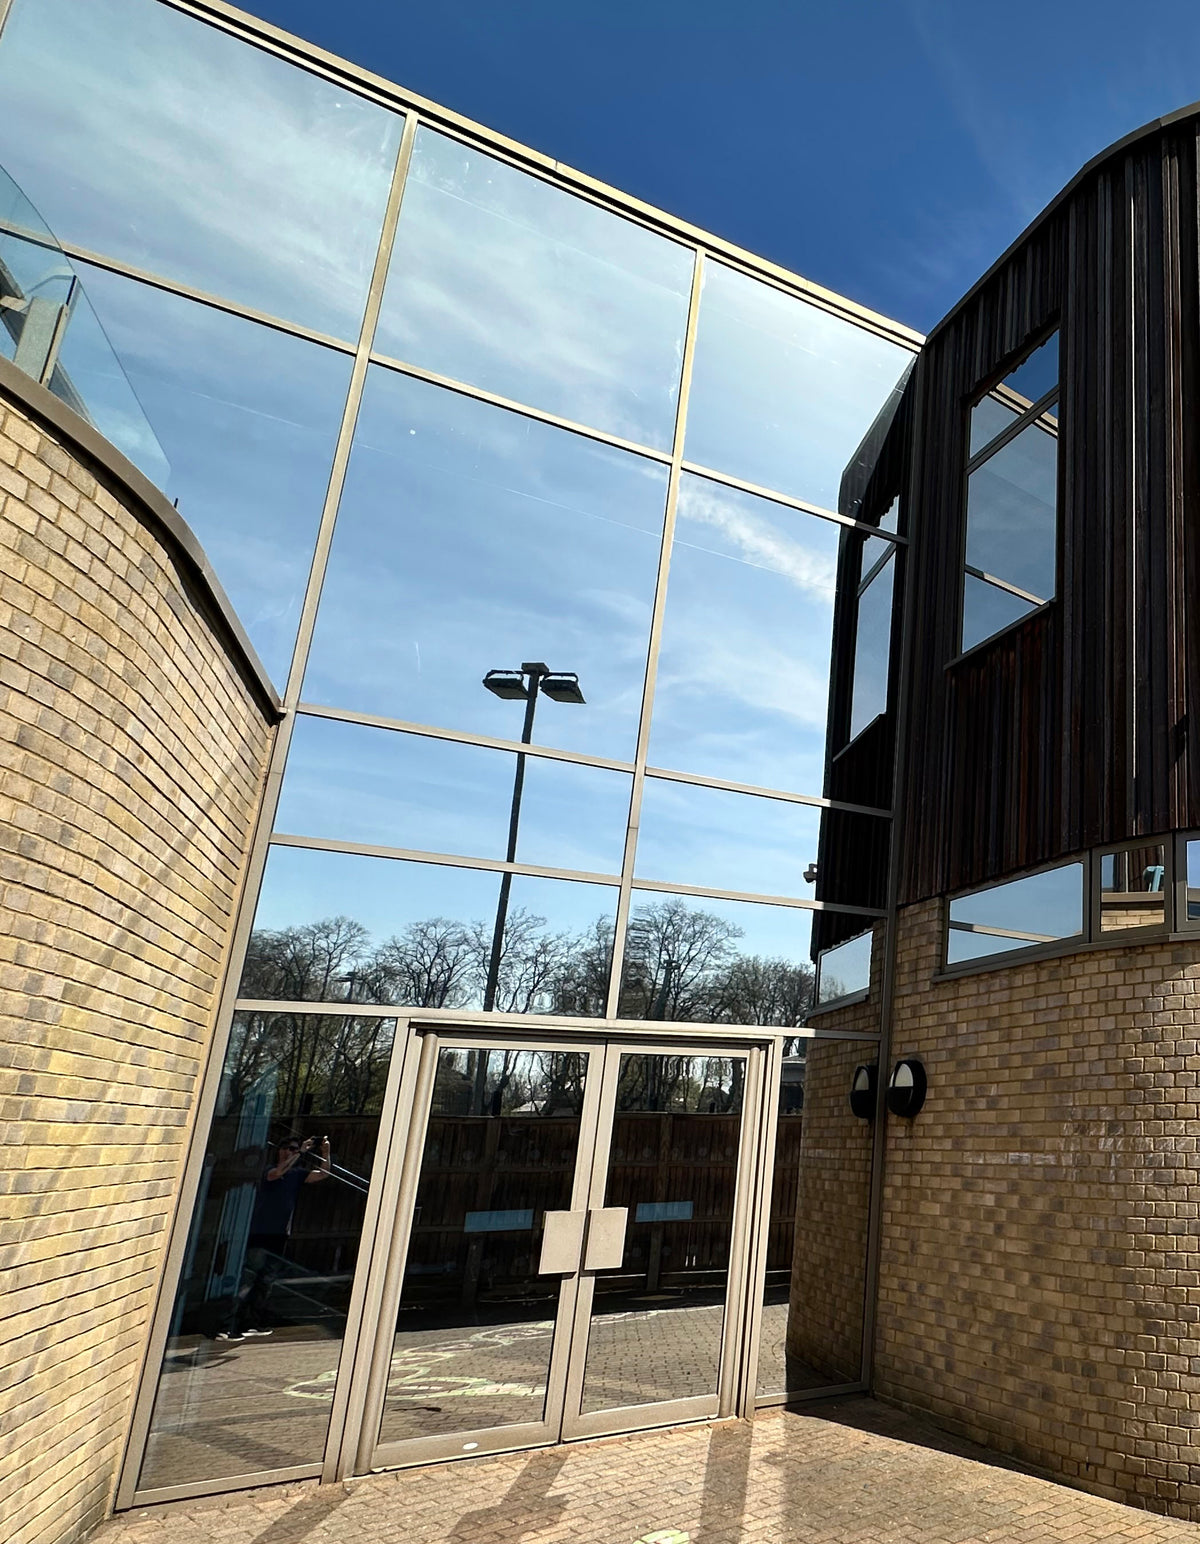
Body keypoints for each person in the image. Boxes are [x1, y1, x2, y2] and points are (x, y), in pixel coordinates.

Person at [218, 1134, 330, 1342]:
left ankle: (251, 1323)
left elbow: (323, 1174)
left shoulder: (297, 1174)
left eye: (293, 1148)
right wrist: (301, 1152)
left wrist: (325, 1152)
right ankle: (228, 1325)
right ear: (279, 1151)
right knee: (248, 1279)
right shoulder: (268, 1171)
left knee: (266, 1281)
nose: (289, 1151)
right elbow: (278, 1173)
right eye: (286, 1148)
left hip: (279, 1235)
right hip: (260, 1232)